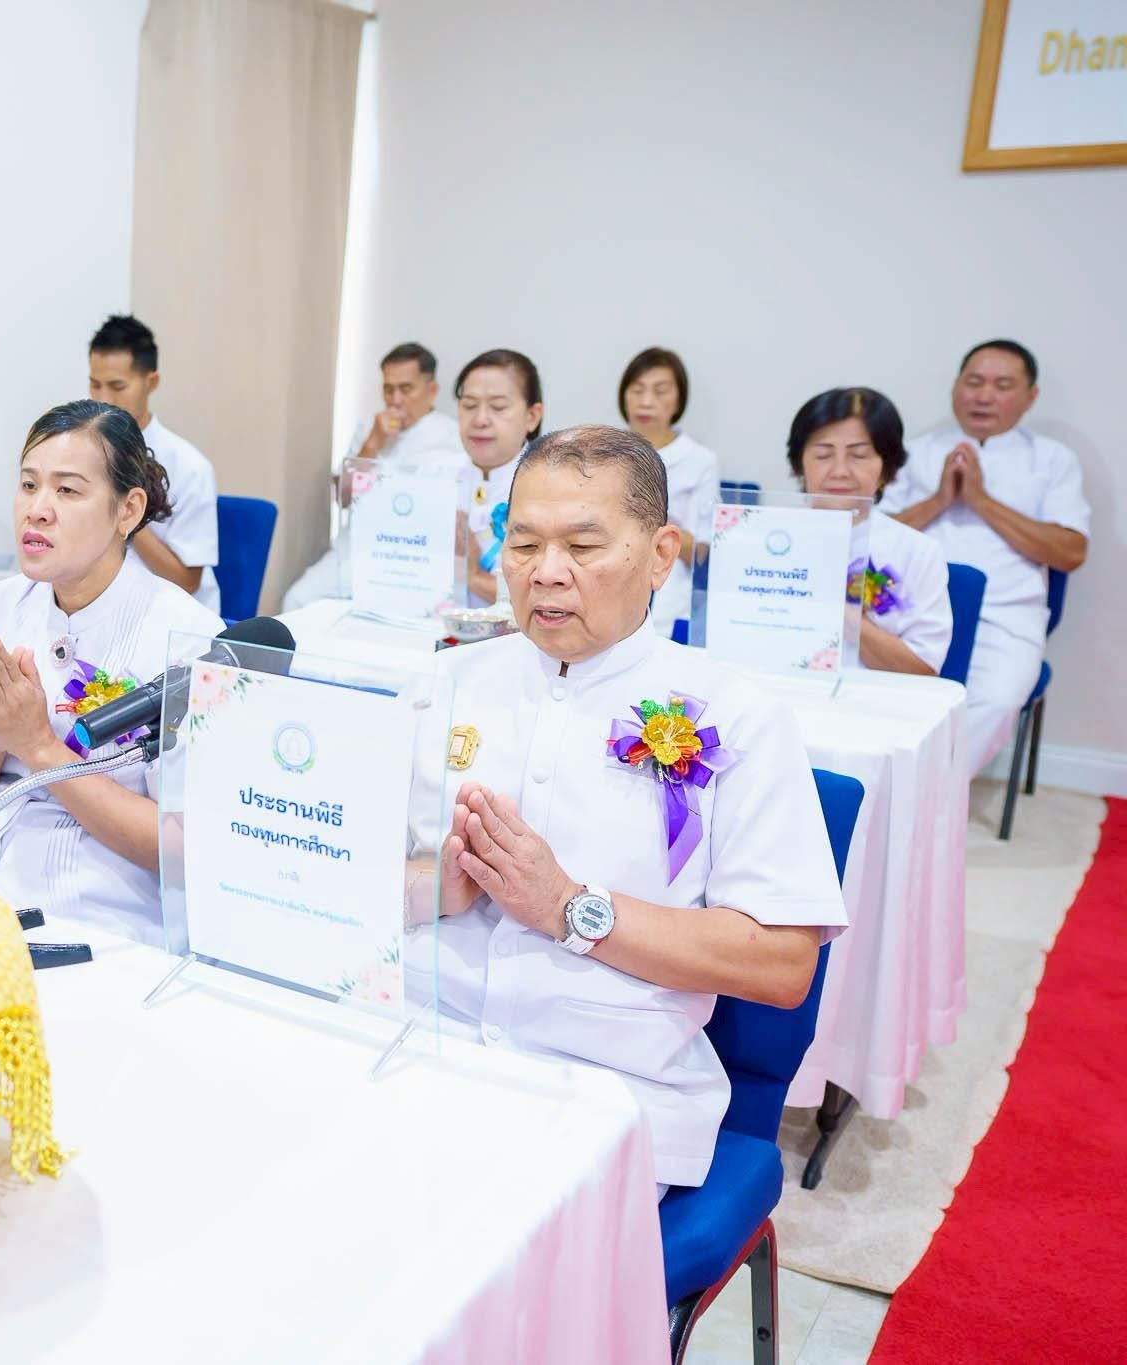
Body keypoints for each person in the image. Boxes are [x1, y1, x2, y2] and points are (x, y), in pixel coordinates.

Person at [413, 423, 846, 1193]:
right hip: (414, 1040)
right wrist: (433, 888)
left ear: (660, 555)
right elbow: (344, 875)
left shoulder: (737, 713)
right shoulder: (447, 682)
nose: (546, 574)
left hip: (604, 1091)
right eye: (522, 546)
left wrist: (569, 906)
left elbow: (784, 965)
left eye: (583, 547)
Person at [0, 400, 224, 945]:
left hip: (100, 911)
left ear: (128, 511)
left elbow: (184, 850)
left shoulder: (187, 640)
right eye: (28, 485)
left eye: (67, 490)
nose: (36, 510)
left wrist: (39, 747)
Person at [878, 340, 1088, 777]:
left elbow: (1071, 552)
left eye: (1003, 385)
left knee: (996, 699)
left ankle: (931, 796)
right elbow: (871, 538)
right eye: (974, 382)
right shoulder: (912, 452)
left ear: (1031, 396)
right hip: (908, 611)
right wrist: (939, 500)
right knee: (880, 697)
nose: (984, 395)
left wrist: (980, 499)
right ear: (956, 387)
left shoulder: (1052, 460)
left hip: (1005, 616)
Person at [281, 342, 466, 611]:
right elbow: (343, 498)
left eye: (406, 389)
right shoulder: (369, 428)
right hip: (357, 552)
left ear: (432, 390)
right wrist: (373, 443)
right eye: (388, 389)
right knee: (297, 600)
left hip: (416, 556)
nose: (395, 400)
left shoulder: (453, 437)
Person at [787, 388, 952, 676]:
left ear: (886, 469)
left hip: (875, 706)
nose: (840, 471)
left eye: (859, 456)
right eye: (824, 454)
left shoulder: (918, 551)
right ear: (800, 464)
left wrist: (842, 614)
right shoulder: (763, 539)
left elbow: (923, 669)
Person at [87, 315, 223, 612]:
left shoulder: (189, 468)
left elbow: (188, 582)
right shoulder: (83, 453)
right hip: (99, 603)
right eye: (95, 385)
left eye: (117, 386)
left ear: (151, 382)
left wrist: (123, 512)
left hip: (169, 614)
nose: (103, 399)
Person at [619, 347, 720, 636]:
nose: (646, 401)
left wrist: (652, 520)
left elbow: (705, 554)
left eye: (660, 391)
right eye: (637, 390)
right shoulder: (606, 453)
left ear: (679, 400)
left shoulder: (700, 461)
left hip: (672, 601)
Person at [455, 349, 544, 608]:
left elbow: (548, 598)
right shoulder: (437, 484)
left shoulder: (554, 490)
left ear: (532, 416)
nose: (480, 419)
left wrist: (471, 575)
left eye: (498, 407)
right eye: (469, 405)